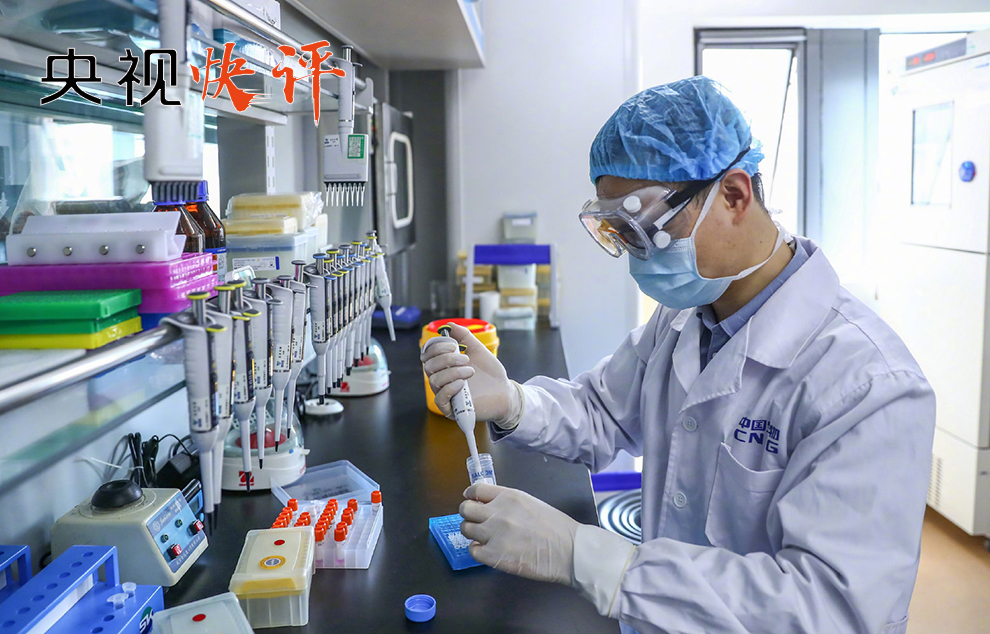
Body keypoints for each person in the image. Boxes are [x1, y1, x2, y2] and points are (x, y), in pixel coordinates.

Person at [421, 76, 935, 634]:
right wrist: (513, 402)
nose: (636, 253)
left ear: (734, 195)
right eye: (620, 232)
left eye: (647, 227)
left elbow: (831, 610)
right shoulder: (686, 314)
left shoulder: (869, 384)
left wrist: (586, 557)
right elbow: (604, 411)